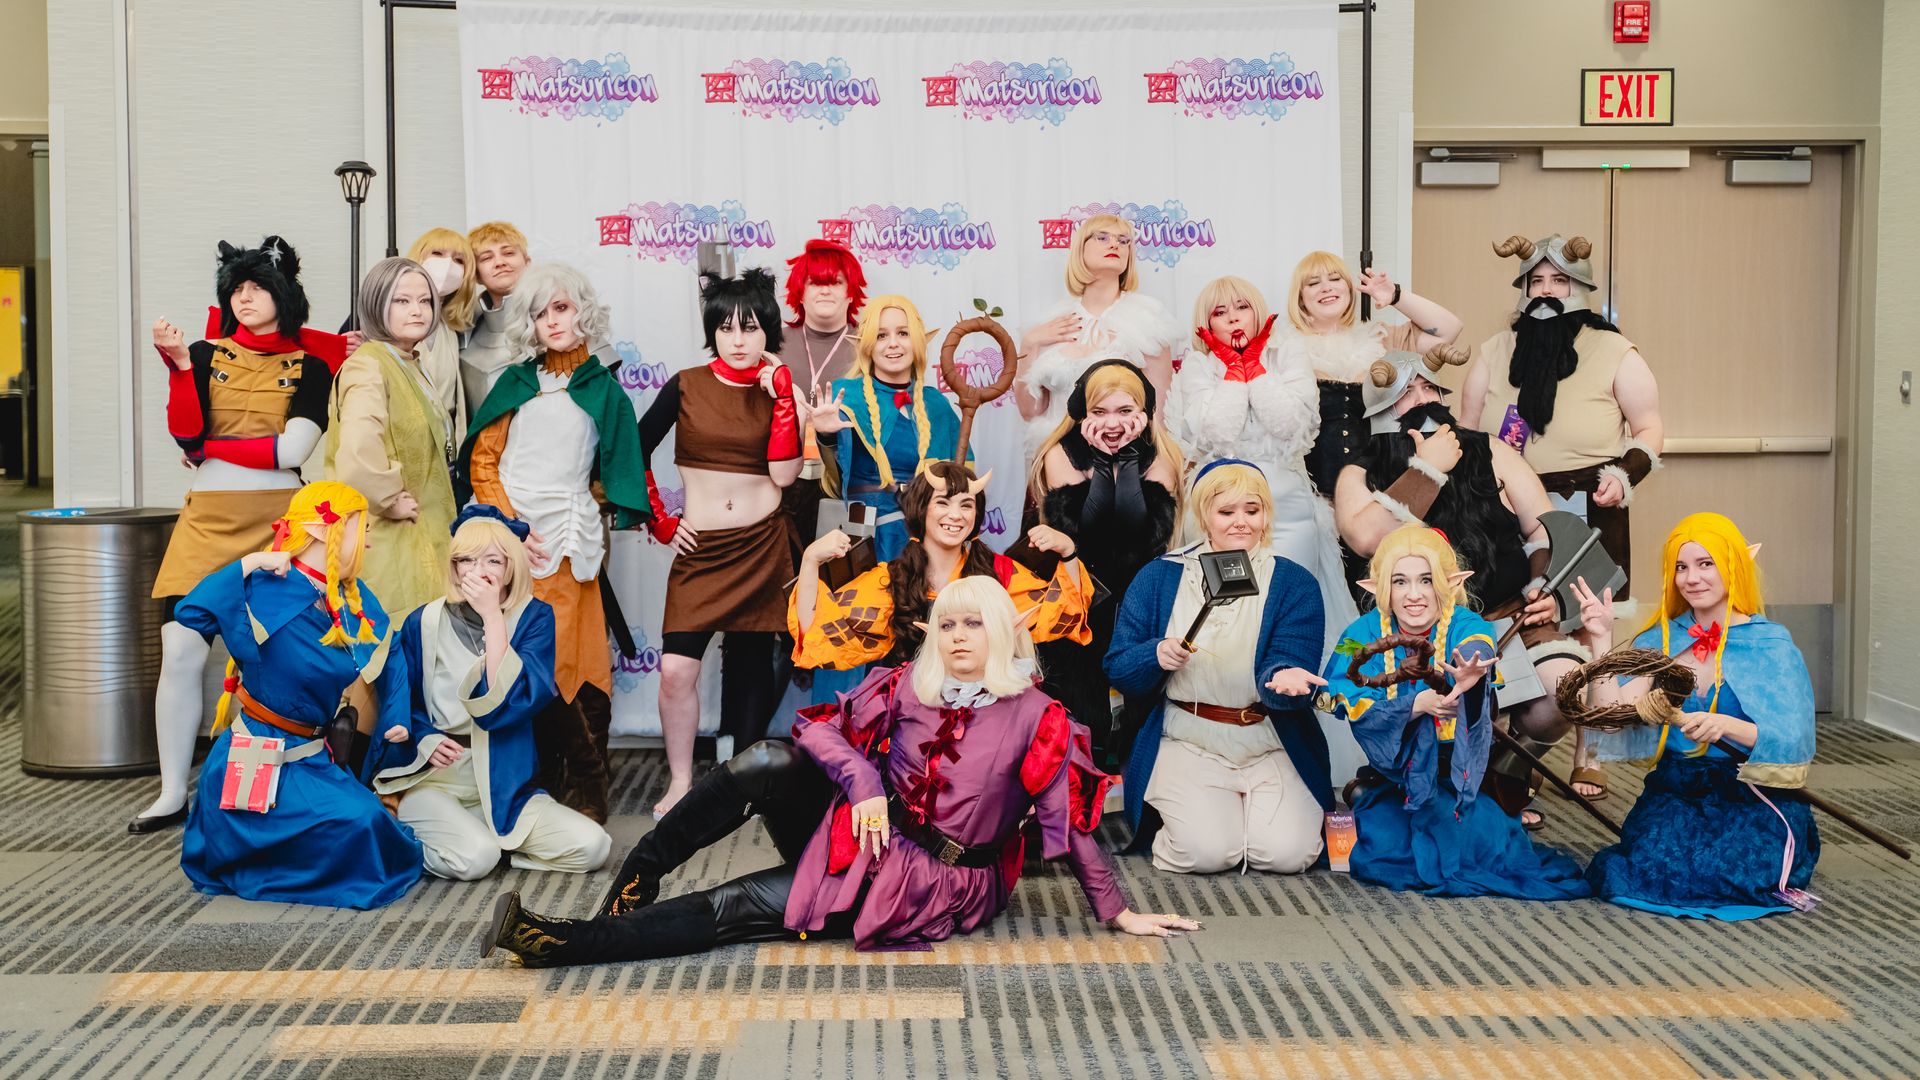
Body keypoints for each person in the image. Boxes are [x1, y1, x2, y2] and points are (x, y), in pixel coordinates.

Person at [483, 578, 1198, 967]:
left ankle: (563, 943)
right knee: (766, 759)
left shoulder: (1037, 716)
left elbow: (1070, 828)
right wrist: (862, 786)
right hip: (866, 831)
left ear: (1005, 633)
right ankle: (636, 878)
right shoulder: (905, 686)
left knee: (737, 907)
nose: (956, 638)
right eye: (946, 625)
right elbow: (817, 729)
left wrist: (1118, 909)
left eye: (973, 625)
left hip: (935, 882)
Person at [131, 235, 348, 833]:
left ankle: (261, 788)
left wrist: (209, 448)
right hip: (206, 518)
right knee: (180, 649)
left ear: (284, 294)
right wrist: (179, 369)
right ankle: (172, 789)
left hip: (281, 519)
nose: (245, 297)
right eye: (237, 289)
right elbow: (184, 433)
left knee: (271, 659)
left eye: (257, 287)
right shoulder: (202, 353)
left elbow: (294, 448)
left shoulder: (312, 365)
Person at [1336, 350, 1589, 827]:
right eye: (1405, 394)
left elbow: (1545, 531)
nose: (1422, 401)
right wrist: (1426, 470)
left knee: (1565, 690)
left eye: (1429, 388)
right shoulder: (1358, 472)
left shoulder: (1493, 450)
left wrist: (1545, 587)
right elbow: (1366, 536)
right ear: (1378, 415)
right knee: (1448, 709)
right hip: (1418, 630)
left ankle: (1505, 774)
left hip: (1510, 617)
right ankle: (1440, 781)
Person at [1459, 232, 1665, 800]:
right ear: (1523, 290)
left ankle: (1591, 751)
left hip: (1590, 503)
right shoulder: (1496, 350)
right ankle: (1518, 757)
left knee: (1592, 624)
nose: (1546, 291)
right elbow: (1471, 434)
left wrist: (1625, 474)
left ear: (1581, 288)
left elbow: (1650, 428)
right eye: (1536, 281)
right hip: (1513, 512)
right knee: (1527, 627)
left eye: (1560, 281)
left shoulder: (1617, 351)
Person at [460, 262, 651, 822]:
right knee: (515, 654)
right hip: (512, 539)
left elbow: (609, 467)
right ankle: (532, 780)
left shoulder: (603, 388)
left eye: (561, 308)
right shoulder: (515, 383)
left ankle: (587, 783)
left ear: (582, 310)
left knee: (574, 658)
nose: (552, 321)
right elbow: (484, 459)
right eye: (541, 312)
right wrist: (514, 530)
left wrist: (586, 505)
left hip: (569, 539)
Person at [177, 481, 423, 909]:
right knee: (360, 826)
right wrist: (252, 561)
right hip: (254, 756)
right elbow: (191, 612)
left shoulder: (351, 597)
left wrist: (396, 715)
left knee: (370, 827)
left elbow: (393, 651)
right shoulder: (265, 589)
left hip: (313, 755)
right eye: (359, 526)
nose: (367, 537)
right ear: (325, 530)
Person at [1315, 524, 1590, 900]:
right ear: (1380, 588)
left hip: (1458, 779)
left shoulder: (1464, 622)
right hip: (1397, 778)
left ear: (1448, 583)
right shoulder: (1361, 631)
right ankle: (1369, 795)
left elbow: (1479, 642)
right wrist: (1413, 705)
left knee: (1484, 848)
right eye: (1399, 582)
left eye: (1426, 580)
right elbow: (1337, 690)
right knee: (1385, 850)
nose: (1413, 595)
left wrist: (1471, 675)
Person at [1580, 513, 1819, 920]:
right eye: (1681, 567)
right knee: (1648, 870)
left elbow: (1792, 737)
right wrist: (1601, 641)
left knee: (1732, 874)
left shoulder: (1771, 645)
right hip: (1679, 787)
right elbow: (1610, 717)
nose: (1692, 578)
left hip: (1751, 790)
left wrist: (1728, 726)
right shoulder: (1663, 640)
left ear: (1733, 567)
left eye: (1705, 564)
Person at [1106, 461, 1334, 876]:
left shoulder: (1294, 582)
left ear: (1267, 515)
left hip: (1269, 739)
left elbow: (1289, 656)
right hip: (1189, 739)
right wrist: (1155, 655)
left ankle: (1240, 814)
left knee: (1286, 855)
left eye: (1252, 510)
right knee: (1206, 855)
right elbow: (1118, 666)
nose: (1241, 523)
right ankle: (1190, 816)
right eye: (1226, 512)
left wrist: (1282, 676)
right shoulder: (1159, 577)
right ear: (1203, 515)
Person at [366, 507, 612, 882]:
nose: (477, 571)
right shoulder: (423, 620)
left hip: (506, 783)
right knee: (476, 860)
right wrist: (426, 736)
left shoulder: (534, 617)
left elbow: (508, 706)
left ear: (511, 565)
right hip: (437, 779)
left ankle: (487, 842)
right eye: (465, 560)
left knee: (594, 847)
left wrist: (494, 619)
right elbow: (405, 701)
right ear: (453, 567)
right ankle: (416, 840)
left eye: (492, 560)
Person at [639, 268, 802, 816]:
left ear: (768, 333)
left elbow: (784, 476)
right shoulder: (685, 384)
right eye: (727, 328)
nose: (738, 340)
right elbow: (631, 451)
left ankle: (745, 787)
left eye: (751, 328)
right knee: (675, 670)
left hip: (762, 546)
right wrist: (659, 520)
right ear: (712, 332)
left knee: (753, 666)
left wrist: (782, 398)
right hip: (702, 550)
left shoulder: (782, 387)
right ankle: (681, 780)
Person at [1172, 274, 1359, 656]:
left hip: (1289, 507)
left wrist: (1253, 368)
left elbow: (1292, 424)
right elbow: (1218, 433)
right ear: (1206, 324)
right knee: (1233, 616)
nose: (1234, 319)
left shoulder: (1287, 356)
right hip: (1221, 513)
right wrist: (1231, 372)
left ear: (1258, 312)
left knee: (1294, 611)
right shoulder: (1197, 367)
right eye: (1220, 312)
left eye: (1242, 307)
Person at [791, 460, 1093, 684]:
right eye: (943, 503)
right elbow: (817, 630)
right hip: (909, 718)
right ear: (921, 509)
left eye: (966, 505)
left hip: (985, 715)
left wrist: (1069, 552)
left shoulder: (1000, 573)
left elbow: (1064, 614)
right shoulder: (892, 580)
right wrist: (810, 562)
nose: (955, 515)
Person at [1027, 359, 1181, 767]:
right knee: (1082, 706)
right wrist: (1100, 463)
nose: (1112, 423)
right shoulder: (1061, 454)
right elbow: (1086, 535)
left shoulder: (1160, 454)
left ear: (1143, 415)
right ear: (1082, 414)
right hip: (1079, 595)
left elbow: (1140, 533)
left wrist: (1127, 461)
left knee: (1141, 706)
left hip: (1140, 595)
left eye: (1125, 411)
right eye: (1100, 412)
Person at [326, 257, 460, 618]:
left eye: (425, 300)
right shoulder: (368, 365)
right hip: (387, 535)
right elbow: (356, 449)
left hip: (423, 534)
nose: (417, 311)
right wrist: (386, 499)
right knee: (394, 652)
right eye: (401, 301)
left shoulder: (408, 361)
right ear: (375, 304)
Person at [1273, 251, 1463, 498]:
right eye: (1313, 283)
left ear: (1348, 287)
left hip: (1380, 491)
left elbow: (1448, 330)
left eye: (1334, 279)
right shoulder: (1281, 349)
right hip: (1309, 499)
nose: (1326, 288)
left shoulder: (1382, 339)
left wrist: (1395, 295)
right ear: (1300, 298)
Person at [807, 295, 965, 561]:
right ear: (868, 346)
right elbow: (836, 476)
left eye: (903, 333)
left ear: (916, 341)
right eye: (881, 336)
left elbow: (960, 477)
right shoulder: (849, 396)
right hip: (870, 533)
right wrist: (826, 435)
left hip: (928, 531)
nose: (893, 343)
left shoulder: (936, 403)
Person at [1016, 215, 1181, 455]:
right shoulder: (1051, 324)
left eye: (1123, 241)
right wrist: (1029, 344)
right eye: (1102, 237)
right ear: (1080, 248)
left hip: (1124, 463)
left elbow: (1160, 412)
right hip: (1058, 463)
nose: (1114, 244)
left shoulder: (1148, 320)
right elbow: (1029, 411)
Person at [781, 239, 868, 544]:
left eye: (836, 281)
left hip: (853, 483)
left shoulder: (873, 345)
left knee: (853, 573)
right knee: (789, 576)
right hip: (783, 486)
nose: (825, 290)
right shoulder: (771, 343)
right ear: (799, 292)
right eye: (815, 282)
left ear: (850, 292)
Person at [403, 227, 479, 442]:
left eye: (458, 260)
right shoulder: (386, 313)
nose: (448, 265)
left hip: (445, 442)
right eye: (437, 254)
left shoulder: (452, 325)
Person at [460, 221, 532, 414]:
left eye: (508, 253)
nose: (500, 262)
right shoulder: (464, 331)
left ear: (527, 262)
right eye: (486, 258)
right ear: (476, 275)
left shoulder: (562, 318)